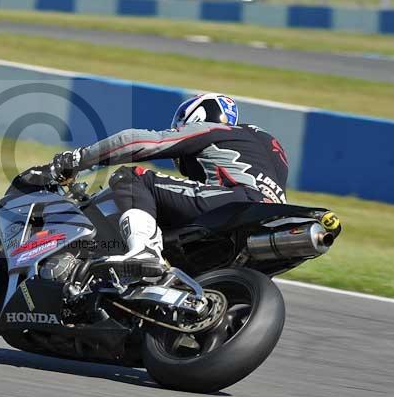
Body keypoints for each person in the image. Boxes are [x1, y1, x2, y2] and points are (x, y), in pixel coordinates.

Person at [47, 93, 289, 279]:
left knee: (133, 178)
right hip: (274, 218)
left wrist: (78, 159)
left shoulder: (215, 129)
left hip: (236, 201)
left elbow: (140, 141)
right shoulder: (266, 146)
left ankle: (144, 250)